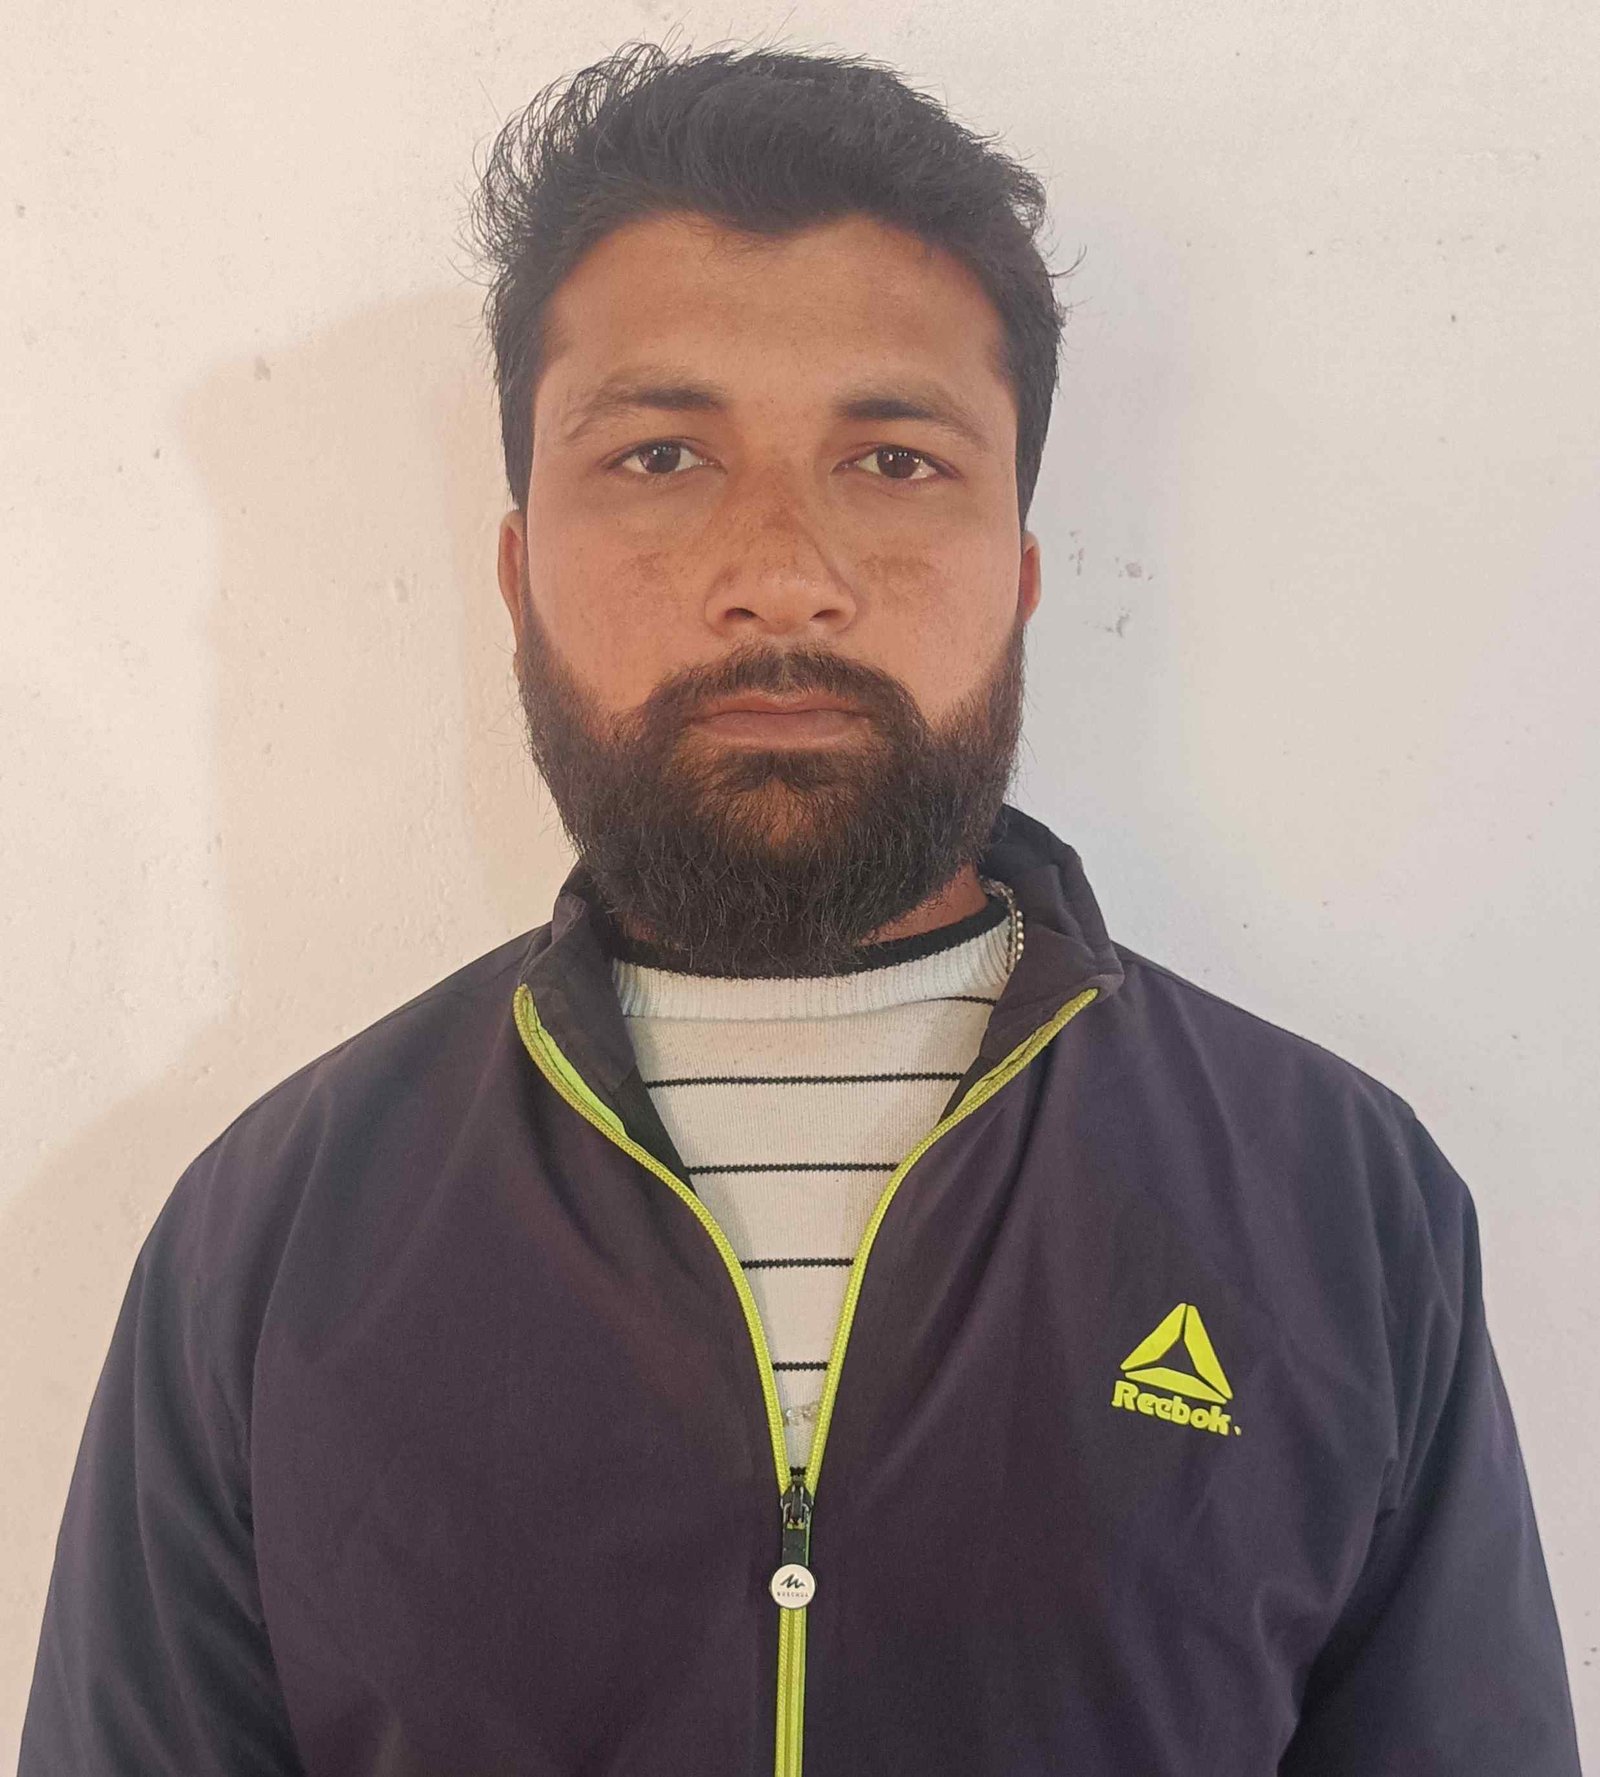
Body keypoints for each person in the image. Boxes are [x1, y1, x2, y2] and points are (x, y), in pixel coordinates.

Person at [19, 37, 1581, 1777]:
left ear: (1022, 572)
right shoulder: (265, 1242)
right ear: (520, 572)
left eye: (893, 461)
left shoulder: (1340, 1206)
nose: (780, 574)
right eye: (662, 456)